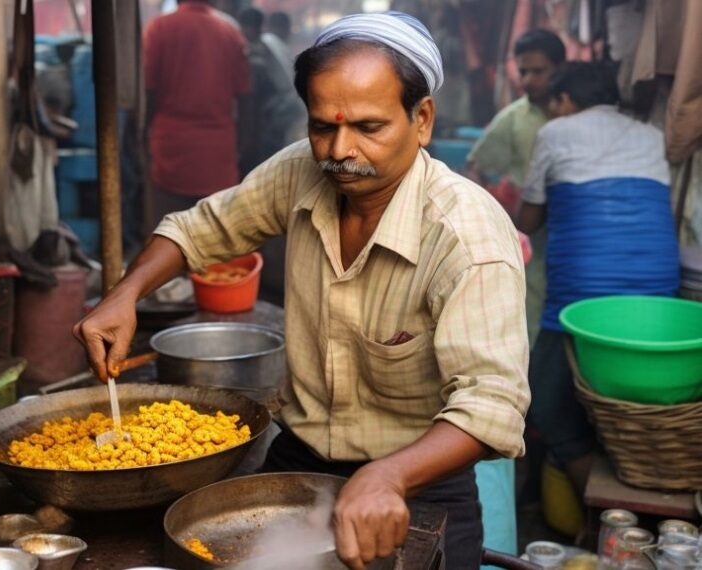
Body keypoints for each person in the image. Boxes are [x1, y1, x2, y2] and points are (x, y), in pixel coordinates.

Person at [76, 12, 529, 569]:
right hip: (299, 460)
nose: (340, 150)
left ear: (423, 119)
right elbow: (199, 230)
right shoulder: (300, 172)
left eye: (369, 127)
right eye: (322, 127)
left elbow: (492, 407)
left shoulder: (467, 237)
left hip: (418, 482)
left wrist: (386, 475)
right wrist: (124, 294)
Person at [516, 61, 680, 497]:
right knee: (623, 407)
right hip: (659, 293)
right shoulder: (653, 135)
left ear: (565, 100)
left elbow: (528, 220)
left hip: (581, 297)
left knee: (548, 403)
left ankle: (602, 510)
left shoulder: (556, 132)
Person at [467, 29, 565, 346]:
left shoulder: (578, 112)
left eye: (539, 71)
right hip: (529, 240)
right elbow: (476, 171)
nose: (528, 79)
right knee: (532, 323)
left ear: (559, 68)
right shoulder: (512, 119)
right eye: (523, 71)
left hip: (572, 236)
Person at [143, 0, 250, 223]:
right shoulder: (229, 31)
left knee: (168, 236)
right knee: (216, 241)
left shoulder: (159, 28)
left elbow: (148, 90)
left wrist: (142, 133)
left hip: (170, 151)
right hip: (218, 155)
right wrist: (245, 144)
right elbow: (245, 96)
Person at [237, 8, 307, 176]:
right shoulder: (274, 43)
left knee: (266, 158)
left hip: (279, 109)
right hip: (289, 107)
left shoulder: (264, 44)